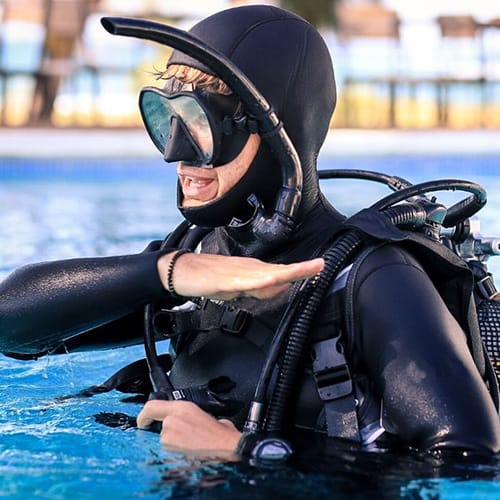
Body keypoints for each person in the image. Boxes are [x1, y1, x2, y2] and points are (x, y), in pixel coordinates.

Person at [1, 5, 499, 458]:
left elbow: (471, 460)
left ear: (280, 133)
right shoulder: (193, 257)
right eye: (167, 118)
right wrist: (167, 272)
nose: (176, 152)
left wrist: (248, 453)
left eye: (200, 121)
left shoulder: (373, 279)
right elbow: (13, 331)